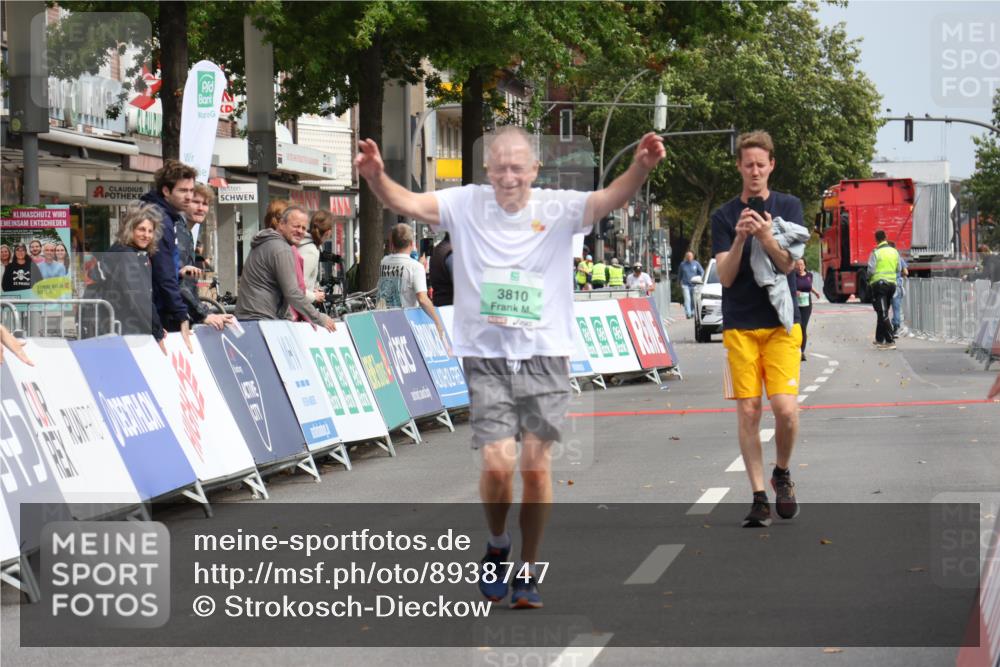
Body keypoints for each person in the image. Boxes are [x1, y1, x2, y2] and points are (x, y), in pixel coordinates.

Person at [355, 125, 665, 608]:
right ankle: (499, 543)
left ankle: (528, 570)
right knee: (499, 466)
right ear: (487, 169)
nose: (508, 174)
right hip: (488, 354)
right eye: (499, 165)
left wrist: (640, 167)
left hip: (545, 354)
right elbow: (409, 203)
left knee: (537, 471)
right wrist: (376, 177)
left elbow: (609, 199)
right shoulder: (466, 203)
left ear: (534, 169)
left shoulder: (557, 207)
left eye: (518, 165)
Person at [711, 130, 805, 528]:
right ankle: (758, 496)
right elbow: (727, 278)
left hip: (781, 326)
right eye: (747, 164)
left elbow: (787, 266)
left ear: (771, 166)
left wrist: (766, 235)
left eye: (760, 165)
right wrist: (739, 240)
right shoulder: (723, 215)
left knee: (785, 411)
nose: (754, 171)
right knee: (749, 411)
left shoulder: (788, 206)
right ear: (738, 166)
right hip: (740, 327)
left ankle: (781, 472)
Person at [235, 205, 336, 331]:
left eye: (303, 228)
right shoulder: (282, 249)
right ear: (281, 224)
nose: (300, 231)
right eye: (296, 226)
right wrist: (319, 318)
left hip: (250, 319)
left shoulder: (266, 242)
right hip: (261, 321)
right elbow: (293, 293)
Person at [92, 205, 168, 350]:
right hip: (123, 330)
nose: (146, 235)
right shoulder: (126, 255)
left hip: (120, 327)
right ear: (130, 229)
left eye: (150, 231)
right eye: (141, 229)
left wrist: (156, 325)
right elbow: (138, 296)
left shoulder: (131, 252)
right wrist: (156, 330)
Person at [140, 160, 196, 347]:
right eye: (183, 191)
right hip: (152, 310)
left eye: (191, 190)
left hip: (149, 307)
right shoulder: (160, 219)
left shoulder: (160, 214)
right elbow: (162, 272)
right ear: (166, 191)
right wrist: (181, 314)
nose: (189, 197)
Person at [377, 223, 449, 349]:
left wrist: (418, 266)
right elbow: (422, 298)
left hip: (383, 320)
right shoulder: (415, 268)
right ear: (412, 243)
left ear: (392, 243)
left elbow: (401, 268)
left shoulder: (384, 262)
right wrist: (438, 322)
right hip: (404, 324)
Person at [177, 183, 232, 331]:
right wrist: (203, 314)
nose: (201, 208)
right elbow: (180, 282)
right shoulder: (179, 231)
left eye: (205, 204)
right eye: (196, 202)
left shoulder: (185, 231)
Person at [866, 229, 900, 350]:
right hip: (892, 285)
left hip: (879, 285)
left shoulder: (876, 252)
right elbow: (898, 268)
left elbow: (870, 270)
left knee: (883, 313)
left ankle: (890, 341)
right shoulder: (895, 252)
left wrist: (869, 279)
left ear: (876, 239)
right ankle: (880, 339)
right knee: (883, 311)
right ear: (886, 237)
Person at [794, 259, 821, 361]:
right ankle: (796, 349)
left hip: (806, 304)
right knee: (797, 327)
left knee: (803, 327)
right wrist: (795, 292)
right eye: (798, 265)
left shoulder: (809, 275)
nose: (800, 267)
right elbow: (789, 288)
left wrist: (816, 292)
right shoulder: (793, 276)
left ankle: (801, 351)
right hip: (796, 304)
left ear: (805, 265)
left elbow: (809, 287)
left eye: (801, 265)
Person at [302, 209, 334, 298]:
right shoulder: (311, 251)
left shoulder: (306, 244)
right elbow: (297, 289)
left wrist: (313, 289)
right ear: (328, 233)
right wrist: (314, 296)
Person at [888, 241, 908, 334]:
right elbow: (906, 272)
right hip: (897, 286)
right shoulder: (899, 258)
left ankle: (885, 328)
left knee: (884, 308)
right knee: (896, 308)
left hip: (886, 285)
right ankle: (896, 327)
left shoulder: (885, 258)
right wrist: (901, 274)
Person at [430, 232, 455, 307]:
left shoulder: (438, 249)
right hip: (452, 308)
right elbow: (462, 286)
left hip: (441, 307)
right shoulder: (451, 253)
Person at [678, 251, 704, 318]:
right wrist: (678, 282)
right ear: (686, 257)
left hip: (694, 284)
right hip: (685, 285)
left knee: (693, 300)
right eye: (688, 256)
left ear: (692, 257)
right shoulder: (682, 264)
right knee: (687, 299)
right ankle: (688, 314)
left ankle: (692, 312)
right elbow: (680, 274)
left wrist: (700, 279)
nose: (689, 257)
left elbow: (702, 272)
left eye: (690, 256)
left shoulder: (696, 264)